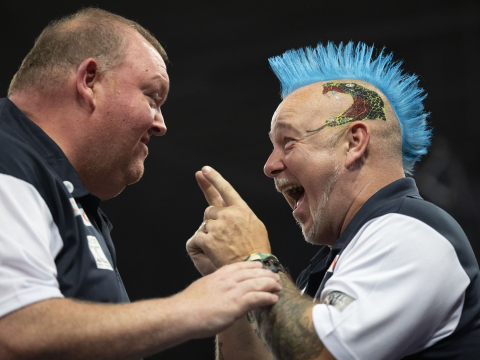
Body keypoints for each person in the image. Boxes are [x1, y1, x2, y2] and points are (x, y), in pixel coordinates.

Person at [0, 8, 282, 359]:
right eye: (152, 96)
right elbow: (13, 331)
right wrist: (193, 307)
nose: (161, 124)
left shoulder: (71, 198)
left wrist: (235, 296)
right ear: (89, 81)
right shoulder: (8, 158)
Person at [187, 42, 480, 360]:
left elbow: (323, 355)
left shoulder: (408, 234)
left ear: (354, 142)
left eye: (288, 141)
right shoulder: (336, 263)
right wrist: (234, 277)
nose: (269, 166)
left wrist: (253, 259)